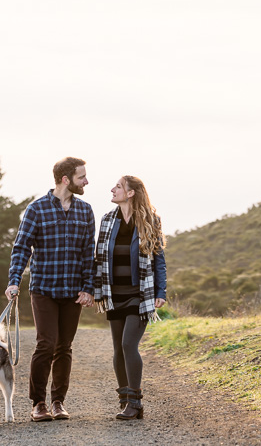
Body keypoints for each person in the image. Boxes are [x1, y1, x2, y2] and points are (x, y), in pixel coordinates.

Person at [5, 156, 95, 423]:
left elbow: (88, 253)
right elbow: (21, 247)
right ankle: (38, 403)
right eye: (82, 177)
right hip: (43, 288)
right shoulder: (37, 209)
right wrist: (13, 280)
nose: (86, 181)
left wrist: (88, 287)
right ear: (66, 179)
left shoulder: (85, 211)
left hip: (73, 292)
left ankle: (58, 402)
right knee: (46, 344)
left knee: (64, 346)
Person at [93, 175, 167, 420]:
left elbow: (159, 260)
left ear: (131, 192)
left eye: (118, 186)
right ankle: (126, 401)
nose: (112, 189)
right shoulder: (107, 221)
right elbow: (98, 259)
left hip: (139, 294)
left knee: (128, 345)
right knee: (117, 349)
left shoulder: (150, 221)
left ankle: (135, 401)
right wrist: (95, 290)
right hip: (114, 293)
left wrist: (160, 292)